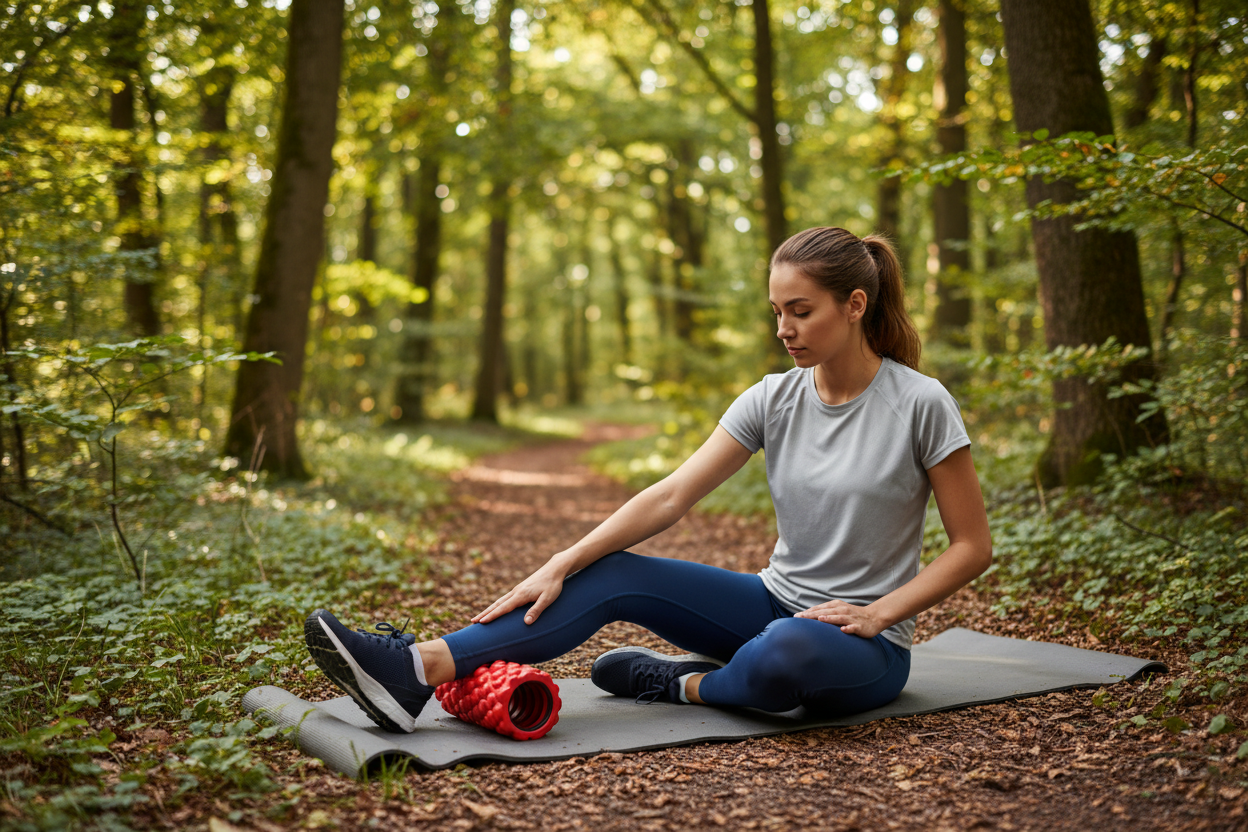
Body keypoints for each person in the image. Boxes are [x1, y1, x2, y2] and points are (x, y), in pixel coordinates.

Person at [304, 226, 993, 734]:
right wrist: (563, 561)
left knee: (786, 655)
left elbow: (972, 546)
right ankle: (416, 669)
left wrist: (877, 615)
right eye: (776, 310)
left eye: (801, 311)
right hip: (771, 601)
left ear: (855, 304)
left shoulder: (919, 403)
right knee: (610, 573)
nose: (784, 328)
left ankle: (685, 684)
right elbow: (671, 495)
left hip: (861, 644)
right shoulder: (772, 398)